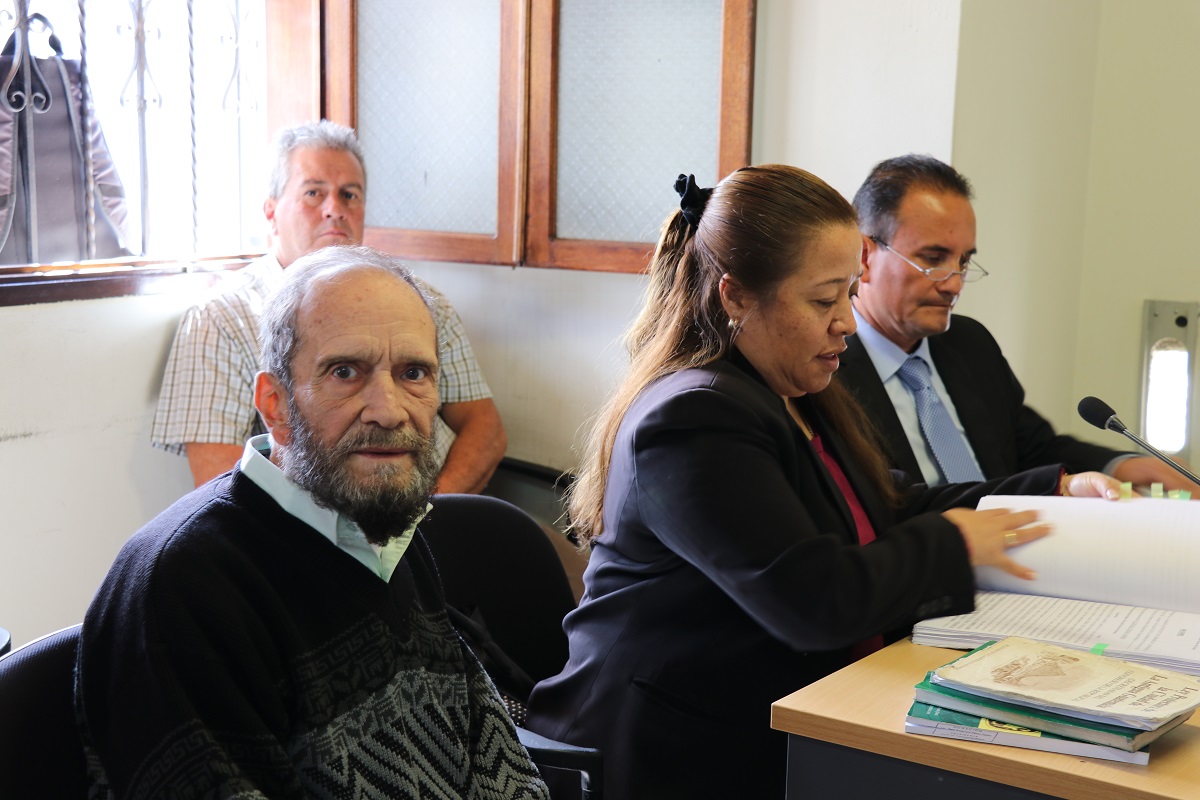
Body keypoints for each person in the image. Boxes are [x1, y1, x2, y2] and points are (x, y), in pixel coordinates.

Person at [523, 167, 1122, 799]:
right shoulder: (693, 416)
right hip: (666, 752)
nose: (846, 321)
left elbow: (889, 506)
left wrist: (1049, 490)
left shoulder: (792, 390)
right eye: (823, 299)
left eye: (849, 292)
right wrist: (954, 542)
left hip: (767, 712)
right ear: (735, 297)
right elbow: (811, 601)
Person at [76, 246, 549, 799]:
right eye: (345, 372)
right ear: (274, 406)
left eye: (413, 372)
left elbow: (493, 760)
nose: (389, 410)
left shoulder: (386, 527)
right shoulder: (183, 588)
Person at [151, 120, 505, 493]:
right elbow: (219, 482)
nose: (335, 209)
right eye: (314, 193)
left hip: (427, 518)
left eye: (349, 195)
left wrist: (422, 527)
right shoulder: (220, 320)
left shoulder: (421, 303)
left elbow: (487, 430)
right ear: (271, 213)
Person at [841, 153, 1197, 491]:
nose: (953, 283)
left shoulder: (969, 343)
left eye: (964, 261)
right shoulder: (826, 370)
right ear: (865, 256)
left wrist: (1122, 465)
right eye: (934, 259)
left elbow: (1033, 447)